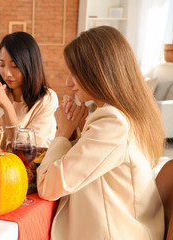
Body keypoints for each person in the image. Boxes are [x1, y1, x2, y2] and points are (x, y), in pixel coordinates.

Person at [37, 26, 165, 239]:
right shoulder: (125, 114)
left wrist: (63, 132)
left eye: (75, 74)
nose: (68, 82)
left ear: (99, 72)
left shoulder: (113, 123)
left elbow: (48, 186)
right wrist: (75, 133)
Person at [0, 31, 58, 151]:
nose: (7, 73)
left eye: (14, 66)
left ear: (30, 65)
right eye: (2, 65)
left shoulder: (47, 98)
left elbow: (27, 151)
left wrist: (7, 106)